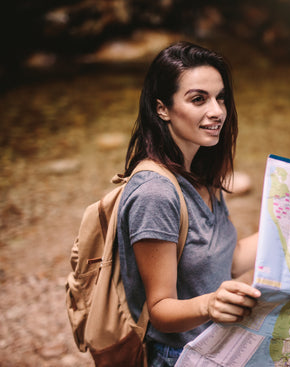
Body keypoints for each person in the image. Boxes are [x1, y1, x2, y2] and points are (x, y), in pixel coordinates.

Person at [116, 41, 260, 367]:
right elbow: (161, 310)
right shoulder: (155, 194)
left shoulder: (202, 172)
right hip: (180, 356)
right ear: (162, 109)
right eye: (199, 99)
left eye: (220, 97)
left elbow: (230, 261)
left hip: (217, 346)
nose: (217, 111)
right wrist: (209, 305)